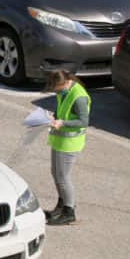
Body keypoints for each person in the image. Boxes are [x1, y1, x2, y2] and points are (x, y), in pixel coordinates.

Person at [45, 69, 90, 226]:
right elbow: (62, 107)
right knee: (55, 173)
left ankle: (69, 212)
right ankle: (62, 205)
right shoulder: (63, 91)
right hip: (60, 139)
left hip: (70, 142)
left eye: (56, 88)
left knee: (63, 177)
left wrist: (63, 123)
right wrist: (55, 116)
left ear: (63, 83)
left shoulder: (79, 97)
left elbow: (83, 121)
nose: (55, 91)